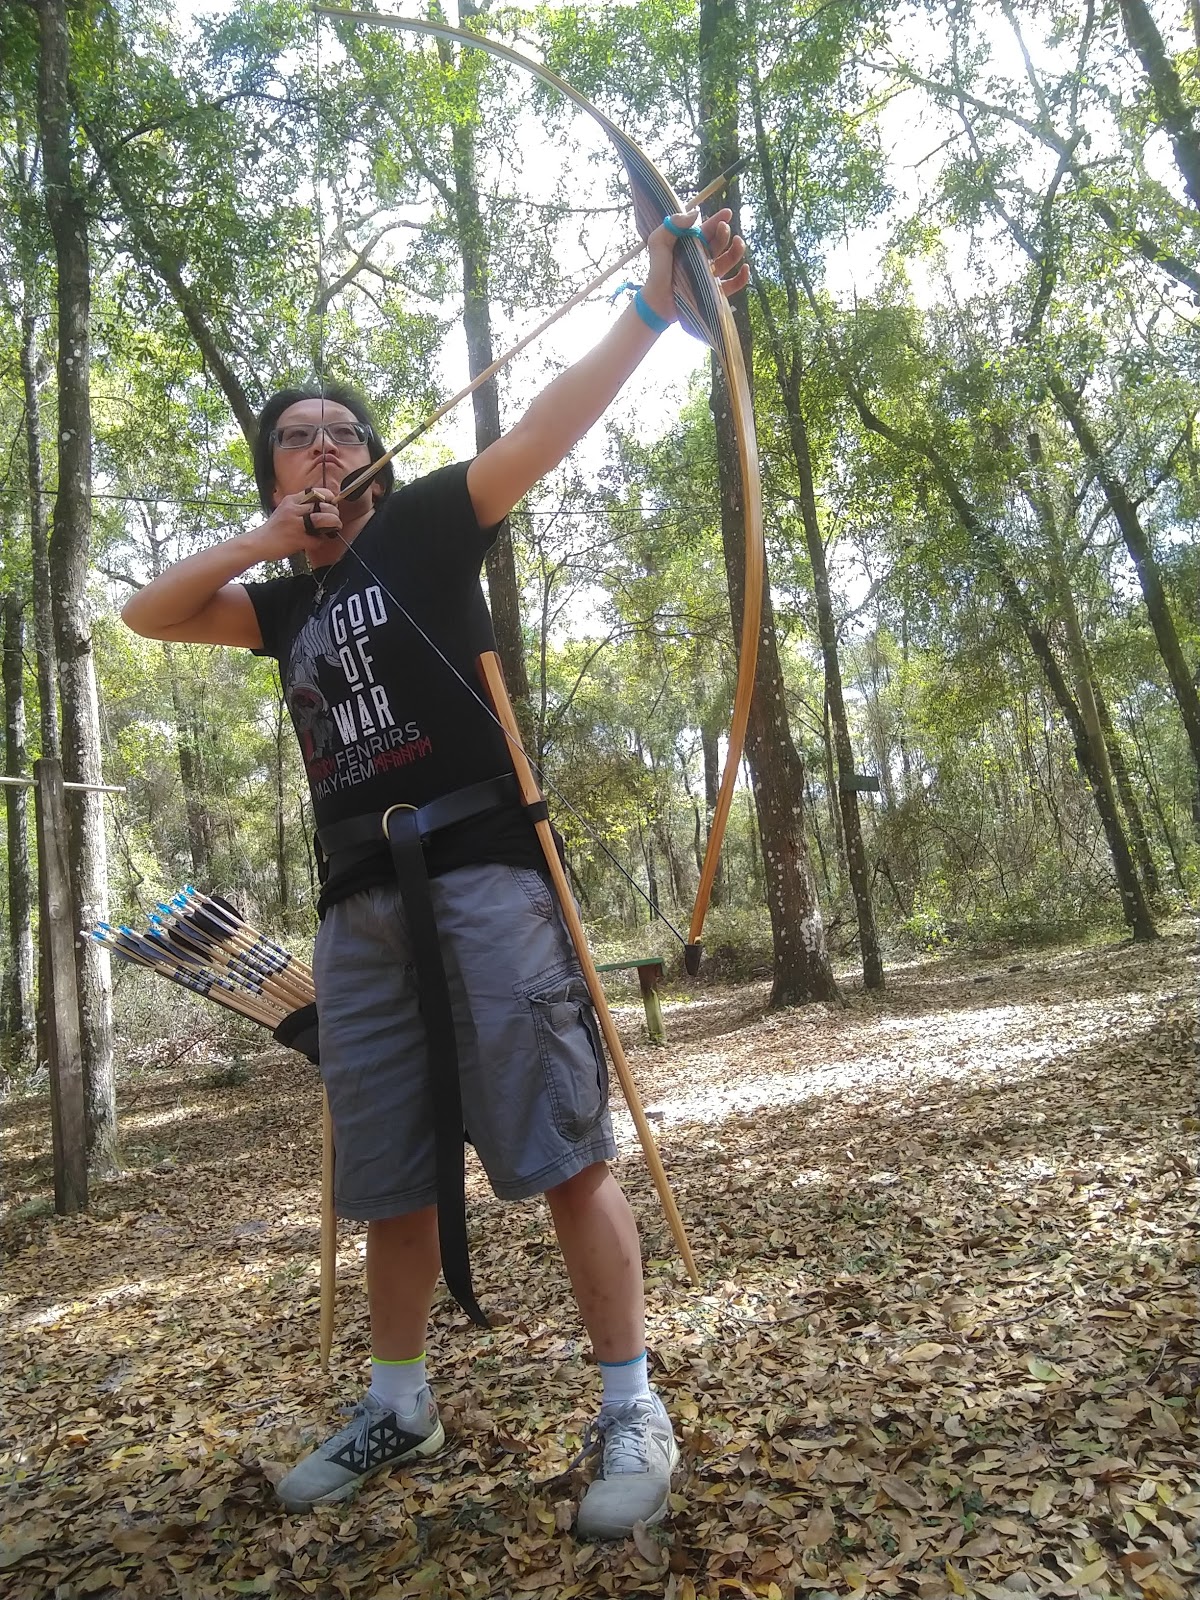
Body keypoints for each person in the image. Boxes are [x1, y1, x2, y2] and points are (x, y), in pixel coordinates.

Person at [122, 209, 747, 1538]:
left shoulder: (423, 522)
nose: (325, 446)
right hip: (357, 908)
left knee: (563, 1144)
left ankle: (630, 1403)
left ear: (374, 458)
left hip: (482, 871)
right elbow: (146, 612)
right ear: (274, 470)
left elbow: (550, 425)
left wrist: (653, 303)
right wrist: (267, 540)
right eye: (298, 435)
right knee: (391, 1175)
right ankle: (399, 1406)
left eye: (343, 431)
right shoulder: (277, 603)